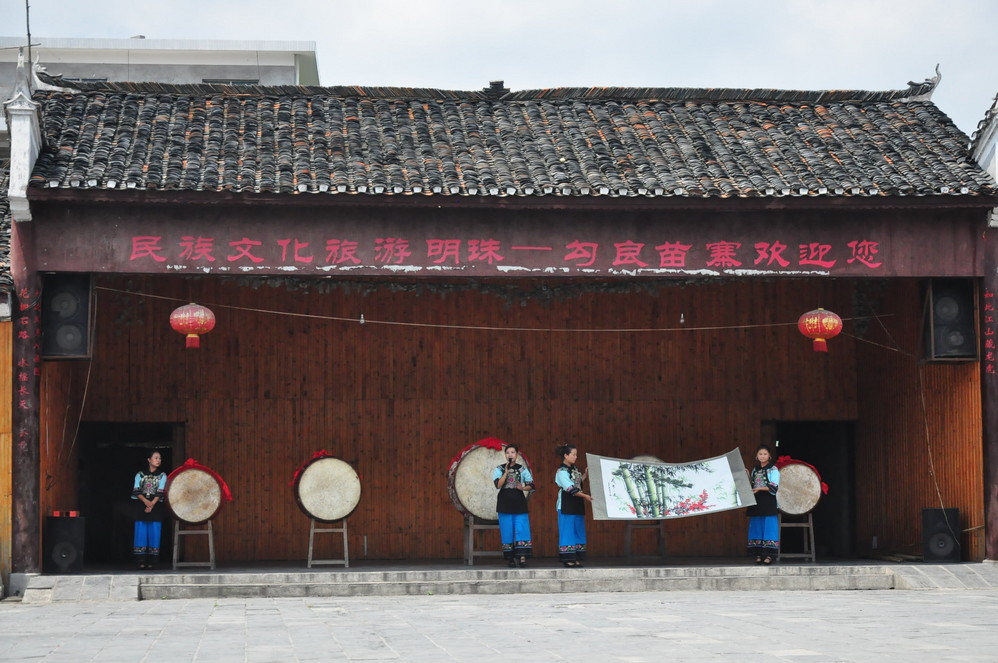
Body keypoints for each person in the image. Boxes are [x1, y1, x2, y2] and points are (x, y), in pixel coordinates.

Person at [492, 444, 535, 568]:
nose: (510, 454)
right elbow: (498, 485)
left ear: (517, 454)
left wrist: (523, 488)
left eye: (512, 452)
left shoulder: (522, 469)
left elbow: (532, 485)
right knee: (507, 530)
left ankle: (522, 557)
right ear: (505, 455)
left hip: (519, 503)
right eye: (508, 452)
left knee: (522, 529)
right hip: (504, 503)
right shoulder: (499, 469)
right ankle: (510, 558)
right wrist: (505, 473)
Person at [554, 443, 593, 567]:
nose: (576, 457)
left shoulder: (574, 469)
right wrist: (585, 496)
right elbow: (570, 489)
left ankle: (576, 557)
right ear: (566, 455)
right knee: (567, 531)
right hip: (566, 504)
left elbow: (577, 483)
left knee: (577, 530)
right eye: (573, 454)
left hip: (577, 504)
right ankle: (568, 559)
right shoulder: (561, 472)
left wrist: (585, 475)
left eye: (576, 455)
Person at [132, 449, 166, 570]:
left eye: (160, 458)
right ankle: (140, 561)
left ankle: (152, 561)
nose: (158, 460)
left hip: (156, 507)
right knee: (140, 533)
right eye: (156, 458)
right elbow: (136, 490)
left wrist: (151, 504)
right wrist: (146, 502)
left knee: (154, 533)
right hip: (141, 506)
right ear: (149, 460)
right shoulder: (140, 474)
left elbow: (161, 491)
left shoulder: (162, 475)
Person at [746, 444, 780, 565]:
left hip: (768, 501)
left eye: (765, 454)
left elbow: (774, 486)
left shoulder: (773, 469)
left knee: (769, 527)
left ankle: (769, 556)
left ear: (769, 456)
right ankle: (758, 554)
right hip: (756, 500)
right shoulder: (755, 469)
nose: (762, 456)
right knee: (756, 527)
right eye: (760, 454)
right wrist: (747, 475)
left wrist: (760, 488)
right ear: (757, 456)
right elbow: (752, 484)